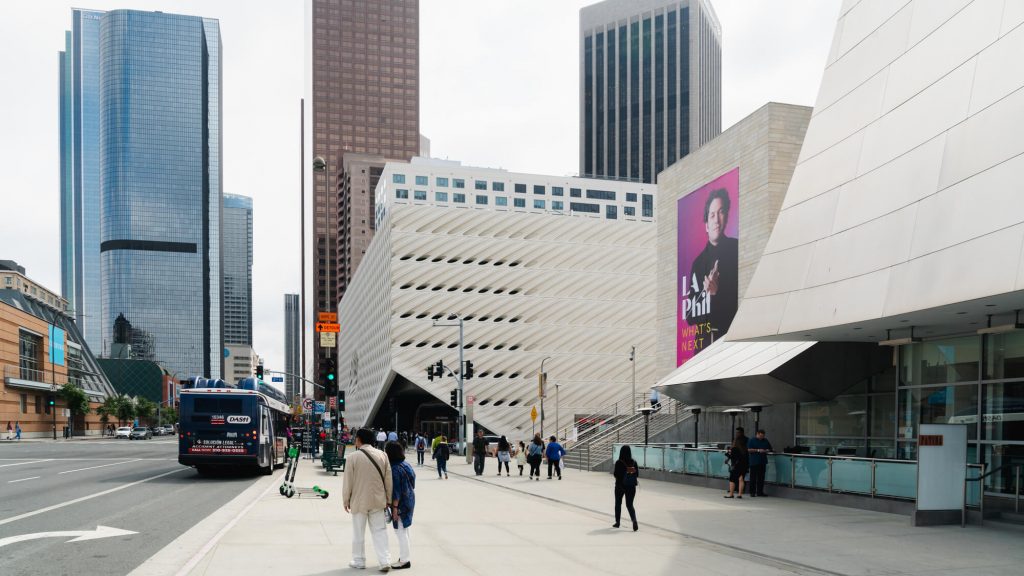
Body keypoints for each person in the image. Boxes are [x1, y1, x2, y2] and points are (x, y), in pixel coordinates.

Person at [689, 187, 739, 334]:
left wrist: (716, 293)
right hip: (705, 347)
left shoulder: (737, 248)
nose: (717, 220)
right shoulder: (697, 264)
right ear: (706, 224)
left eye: (721, 212)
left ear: (727, 217)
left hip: (730, 340)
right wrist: (706, 294)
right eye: (712, 215)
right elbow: (689, 317)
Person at [343, 428, 392, 571]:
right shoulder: (383, 455)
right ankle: (384, 561)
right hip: (378, 500)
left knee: (358, 532)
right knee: (380, 531)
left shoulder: (353, 457)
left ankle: (359, 560)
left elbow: (348, 482)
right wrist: (388, 499)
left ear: (359, 440)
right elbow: (388, 480)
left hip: (359, 501)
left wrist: (346, 500)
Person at [386, 441, 415, 571]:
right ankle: (405, 556)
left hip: (401, 503)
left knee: (400, 531)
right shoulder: (406, 465)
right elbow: (413, 480)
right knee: (405, 529)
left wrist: (395, 509)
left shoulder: (394, 469)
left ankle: (405, 560)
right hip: (410, 498)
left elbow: (396, 491)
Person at [613, 445, 639, 531]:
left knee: (618, 504)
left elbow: (615, 474)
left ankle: (617, 522)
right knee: (629, 505)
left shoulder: (619, 462)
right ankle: (634, 520)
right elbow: (637, 474)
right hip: (631, 486)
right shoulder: (634, 462)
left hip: (620, 486)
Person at [747, 429, 773, 497]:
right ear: (757, 434)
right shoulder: (752, 440)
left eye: (763, 436)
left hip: (762, 461)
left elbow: (770, 448)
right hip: (754, 462)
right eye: (761, 436)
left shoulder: (765, 440)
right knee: (753, 477)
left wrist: (767, 450)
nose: (762, 437)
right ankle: (752, 492)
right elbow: (748, 450)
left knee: (761, 478)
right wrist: (758, 450)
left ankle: (760, 492)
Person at [724, 430, 748, 499]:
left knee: (732, 479)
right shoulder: (744, 449)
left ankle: (731, 494)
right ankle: (740, 494)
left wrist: (727, 454)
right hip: (744, 465)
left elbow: (732, 457)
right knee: (741, 479)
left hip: (736, 466)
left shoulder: (734, 449)